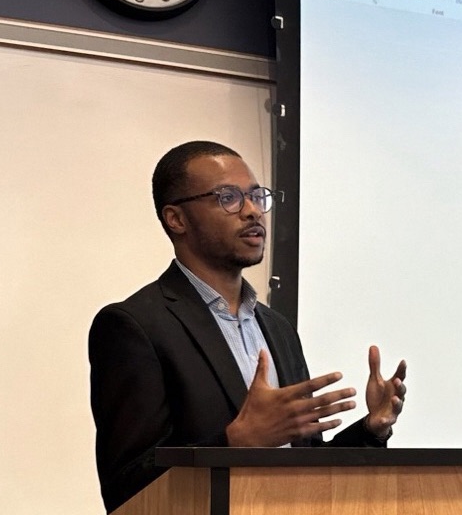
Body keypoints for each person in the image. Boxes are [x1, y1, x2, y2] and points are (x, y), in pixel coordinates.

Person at [89, 141, 407, 513]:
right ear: (176, 219)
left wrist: (372, 429)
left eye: (257, 196)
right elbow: (126, 488)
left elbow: (305, 466)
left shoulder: (277, 327)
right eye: (228, 198)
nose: (253, 210)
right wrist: (235, 442)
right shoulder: (134, 327)